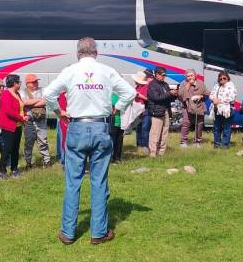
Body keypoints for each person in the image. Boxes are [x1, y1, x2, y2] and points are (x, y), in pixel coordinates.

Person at [44, 37, 136, 245]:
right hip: (100, 127)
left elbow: (49, 93)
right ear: (96, 52)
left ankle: (68, 232)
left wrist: (59, 112)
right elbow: (130, 92)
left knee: (72, 181)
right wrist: (117, 107)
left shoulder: (70, 71)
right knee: (99, 181)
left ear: (78, 53)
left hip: (77, 127)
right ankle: (99, 232)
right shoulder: (106, 70)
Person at [0, 74, 28, 179]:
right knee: (7, 148)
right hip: (8, 126)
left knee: (16, 148)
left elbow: (22, 106)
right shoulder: (6, 94)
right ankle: (2, 171)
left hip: (18, 125)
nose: (20, 84)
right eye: (19, 82)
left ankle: (14, 169)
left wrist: (25, 115)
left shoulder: (17, 94)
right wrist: (21, 118)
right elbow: (8, 111)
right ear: (14, 83)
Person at [21, 74, 51, 168]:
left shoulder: (43, 90)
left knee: (43, 141)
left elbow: (46, 101)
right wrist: (38, 100)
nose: (36, 83)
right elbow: (23, 102)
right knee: (29, 142)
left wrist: (31, 103)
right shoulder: (22, 92)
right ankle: (28, 162)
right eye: (33, 82)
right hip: (28, 120)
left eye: (36, 81)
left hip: (41, 119)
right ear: (27, 83)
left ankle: (47, 161)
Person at [146, 67, 175, 157]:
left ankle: (161, 152)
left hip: (166, 110)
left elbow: (167, 98)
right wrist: (169, 93)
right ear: (157, 74)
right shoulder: (152, 85)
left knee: (164, 132)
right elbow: (156, 98)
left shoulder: (165, 84)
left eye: (165, 75)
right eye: (162, 75)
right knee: (155, 132)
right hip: (156, 111)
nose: (164, 77)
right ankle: (153, 153)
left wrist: (174, 95)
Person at [177, 69, 206, 147]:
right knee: (186, 124)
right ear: (186, 77)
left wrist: (201, 96)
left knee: (199, 124)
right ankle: (183, 142)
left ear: (195, 75)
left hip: (199, 106)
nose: (190, 77)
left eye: (191, 75)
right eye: (188, 76)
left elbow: (206, 94)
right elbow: (180, 94)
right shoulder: (183, 83)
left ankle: (197, 141)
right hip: (187, 107)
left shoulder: (201, 83)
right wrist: (189, 84)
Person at [209, 71, 237, 149]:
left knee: (227, 128)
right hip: (216, 109)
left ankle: (225, 145)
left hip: (227, 111)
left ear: (227, 78)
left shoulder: (232, 86)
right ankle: (217, 144)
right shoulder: (216, 86)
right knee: (216, 128)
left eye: (224, 78)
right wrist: (214, 99)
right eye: (220, 78)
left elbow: (232, 97)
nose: (222, 79)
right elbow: (211, 95)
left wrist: (219, 101)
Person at [135, 70, 154, 153]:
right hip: (138, 109)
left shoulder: (146, 87)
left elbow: (149, 99)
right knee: (138, 128)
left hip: (145, 109)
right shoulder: (137, 87)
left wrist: (139, 95)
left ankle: (145, 146)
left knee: (145, 128)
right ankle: (139, 145)